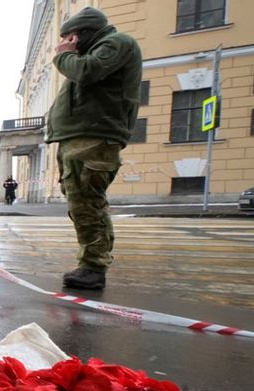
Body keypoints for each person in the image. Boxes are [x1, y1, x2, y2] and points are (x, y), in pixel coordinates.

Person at [47, 7, 142, 290]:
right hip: (80, 137)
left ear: (83, 33)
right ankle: (91, 263)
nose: (65, 43)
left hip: (94, 136)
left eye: (70, 37)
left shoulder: (116, 44)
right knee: (82, 201)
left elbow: (88, 72)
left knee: (88, 202)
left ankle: (93, 266)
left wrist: (64, 54)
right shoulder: (92, 51)